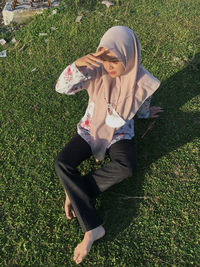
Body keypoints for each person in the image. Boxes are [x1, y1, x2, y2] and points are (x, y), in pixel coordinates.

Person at [54, 26, 163, 264]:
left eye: (114, 61)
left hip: (118, 134)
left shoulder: (140, 80)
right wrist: (79, 66)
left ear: (130, 57)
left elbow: (140, 104)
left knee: (127, 166)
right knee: (63, 163)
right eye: (105, 60)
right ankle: (92, 226)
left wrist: (145, 113)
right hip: (90, 129)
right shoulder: (95, 71)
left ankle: (77, 191)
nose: (109, 66)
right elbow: (62, 88)